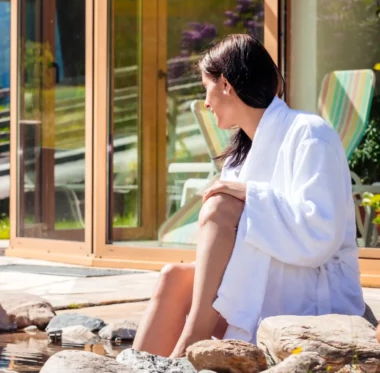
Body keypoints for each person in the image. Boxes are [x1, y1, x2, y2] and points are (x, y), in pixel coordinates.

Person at [132, 34, 365, 358]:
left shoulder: (310, 133)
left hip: (312, 291)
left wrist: (248, 195)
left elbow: (320, 234)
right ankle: (137, 366)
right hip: (263, 281)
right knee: (173, 277)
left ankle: (189, 344)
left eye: (206, 89)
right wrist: (245, 195)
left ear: (225, 84)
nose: (206, 102)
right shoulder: (239, 158)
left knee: (219, 205)